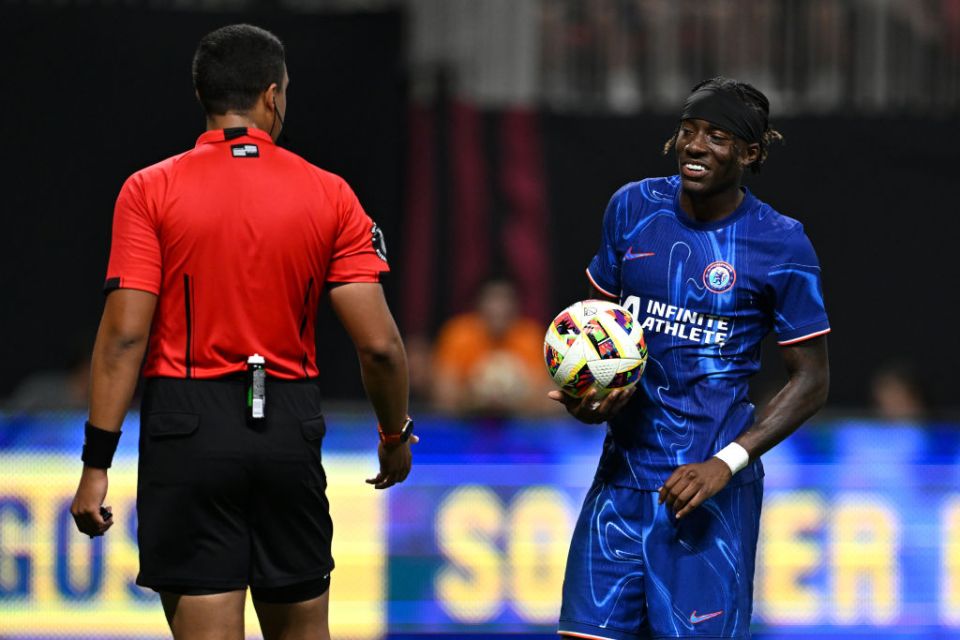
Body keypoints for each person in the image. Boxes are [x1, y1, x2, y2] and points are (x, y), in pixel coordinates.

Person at [69, 24, 415, 640]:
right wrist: (394, 434)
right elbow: (381, 346)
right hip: (287, 424)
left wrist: (97, 464)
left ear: (203, 94)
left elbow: (124, 337)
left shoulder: (149, 191)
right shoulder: (330, 194)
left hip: (186, 428)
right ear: (273, 96)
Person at [550, 76, 830, 640]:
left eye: (718, 136)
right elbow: (598, 329)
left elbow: (812, 381)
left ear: (750, 153)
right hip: (620, 485)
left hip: (709, 496)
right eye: (688, 131)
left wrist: (725, 463)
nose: (695, 146)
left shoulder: (781, 243)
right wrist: (589, 396)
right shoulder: (631, 208)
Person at [431, 278, 555, 416]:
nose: (498, 309)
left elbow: (548, 399)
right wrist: (477, 397)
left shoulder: (531, 337)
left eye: (505, 301)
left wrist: (513, 398)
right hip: (466, 426)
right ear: (478, 304)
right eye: (492, 301)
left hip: (519, 428)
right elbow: (442, 396)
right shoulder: (458, 334)